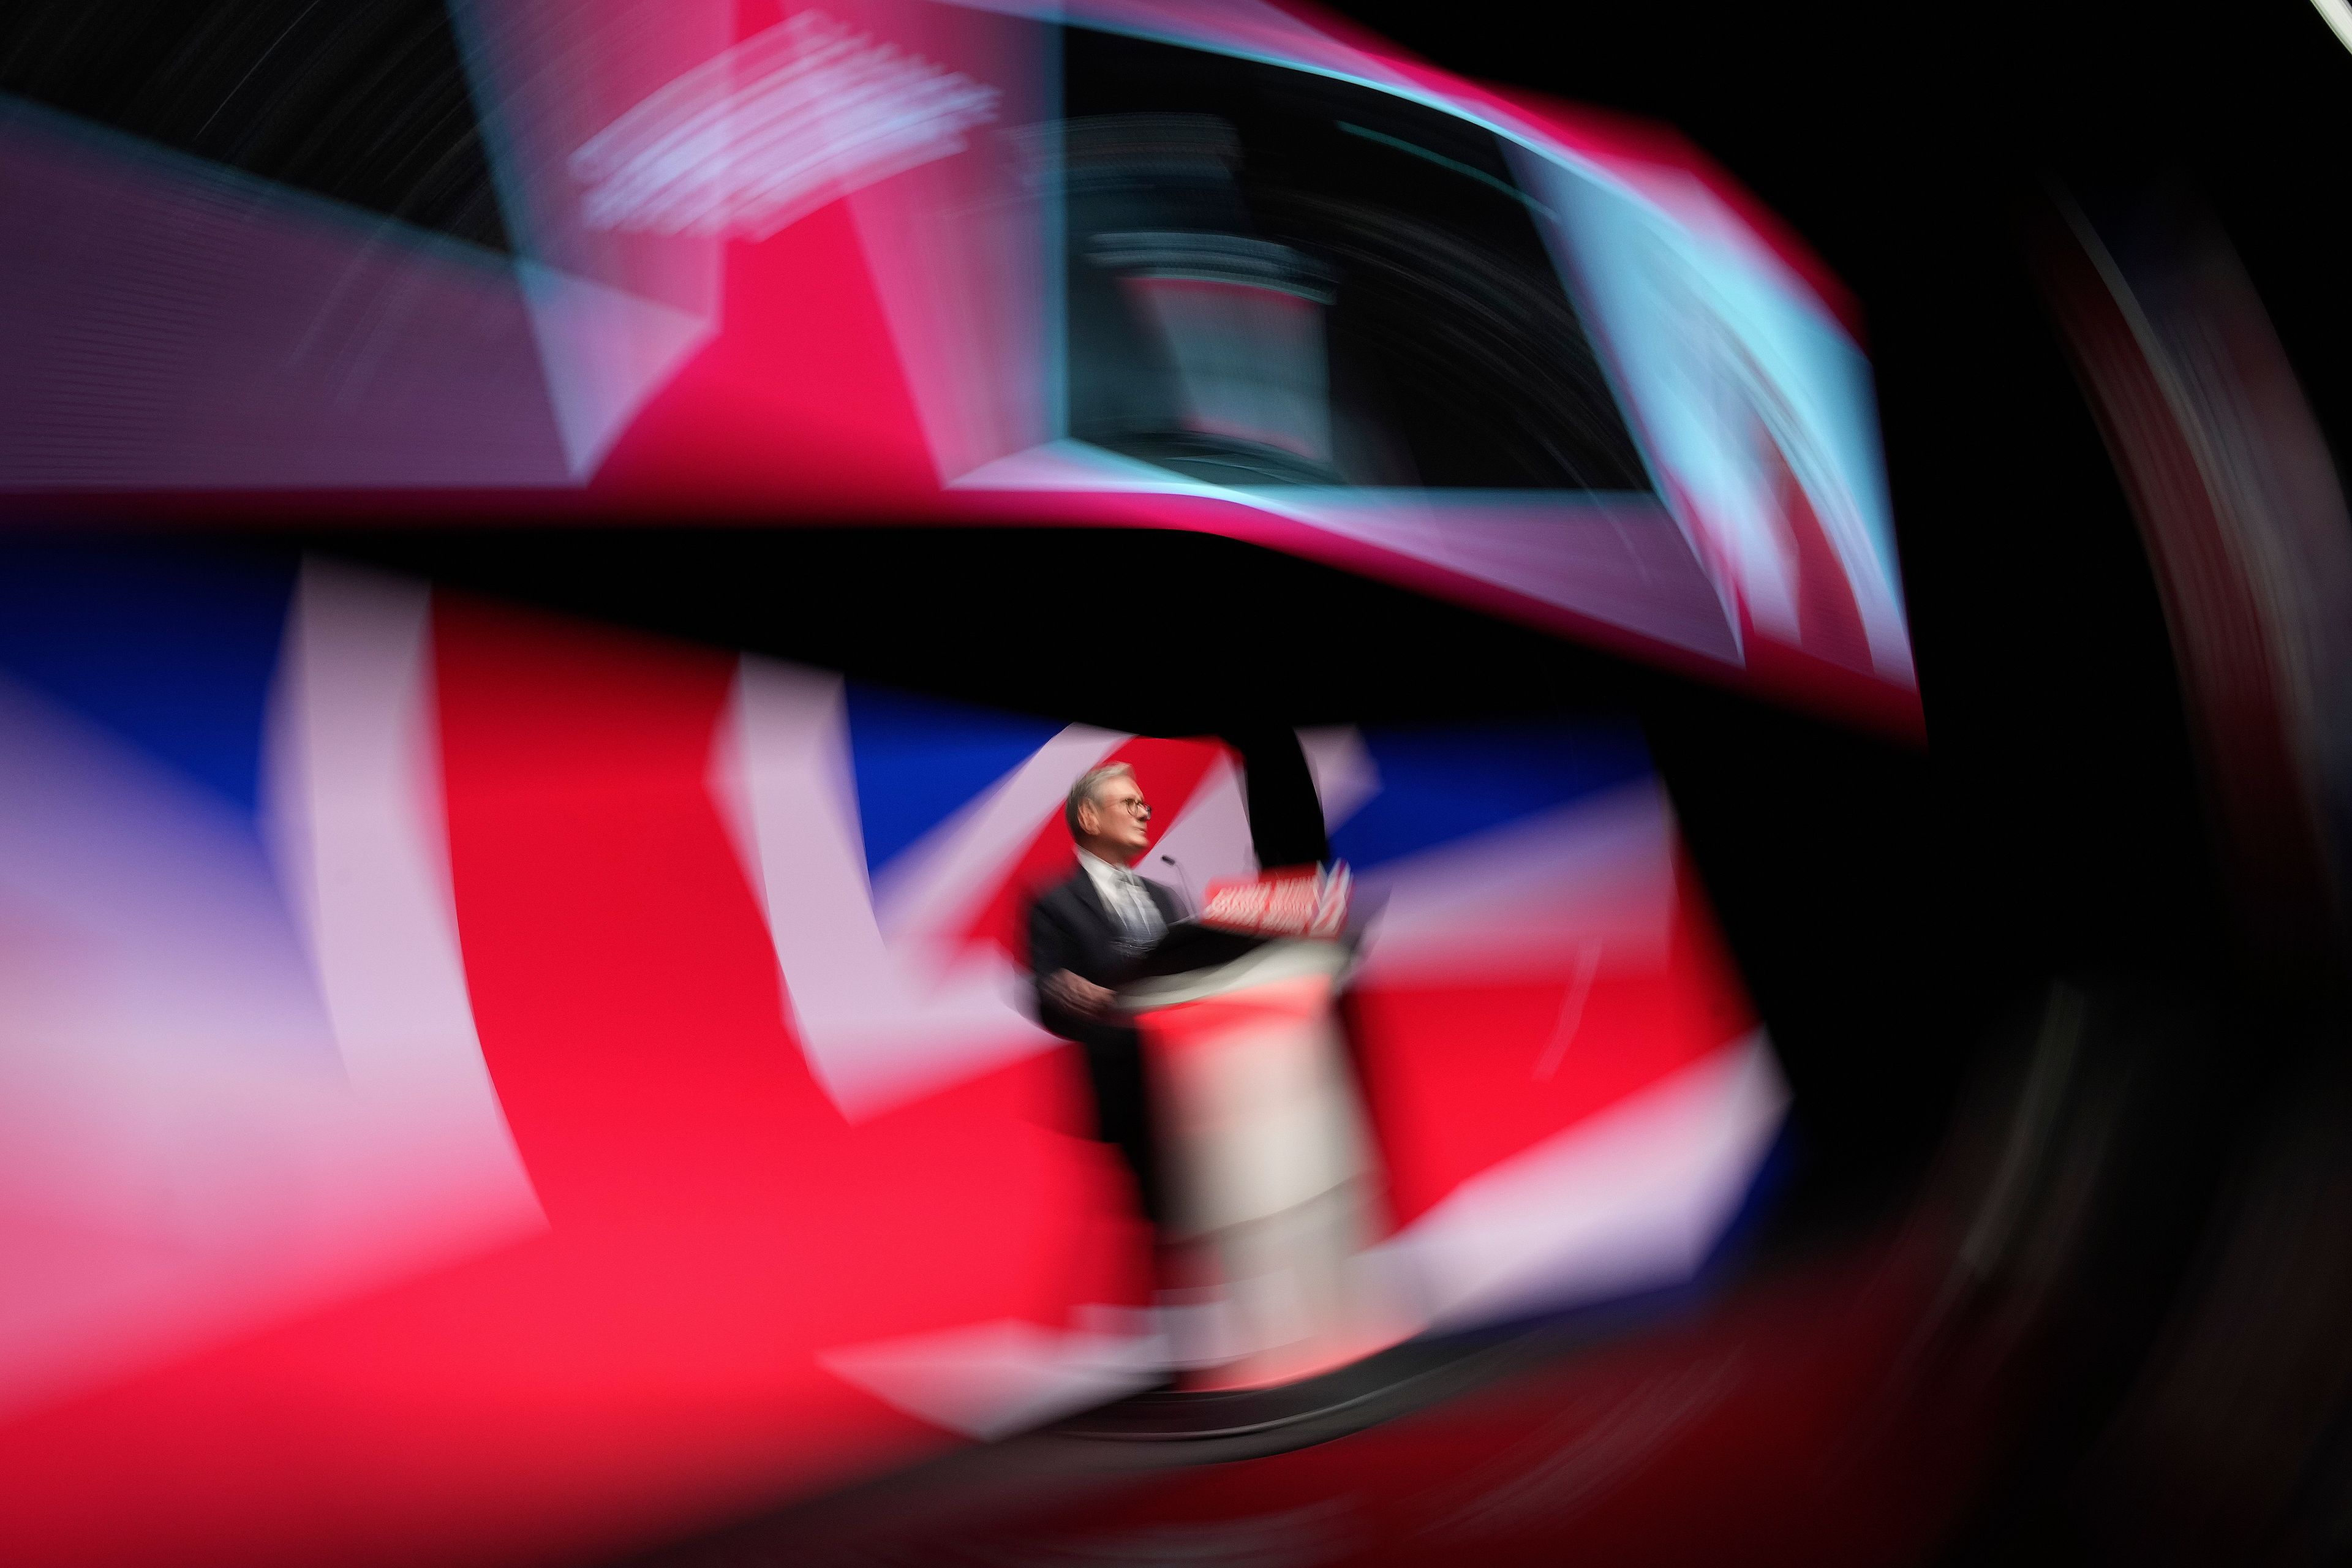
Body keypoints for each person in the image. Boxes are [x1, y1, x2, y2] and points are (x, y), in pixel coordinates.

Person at [1028, 763, 1184, 1230]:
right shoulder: (1053, 903)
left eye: (1145, 805)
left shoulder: (1167, 898)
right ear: (1090, 819)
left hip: (1187, 1087)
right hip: (1124, 1091)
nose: (1144, 814)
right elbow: (1044, 991)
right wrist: (1062, 990)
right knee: (1156, 1220)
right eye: (1130, 804)